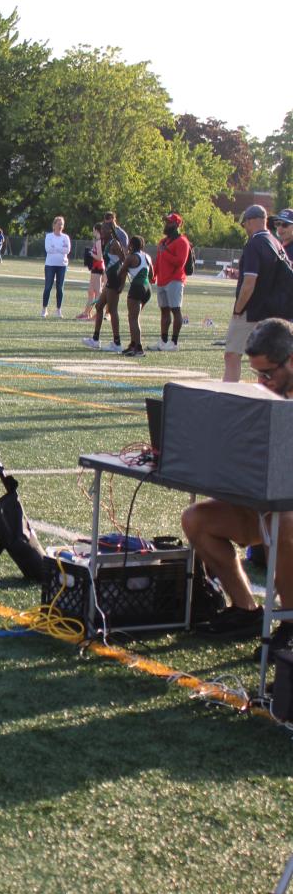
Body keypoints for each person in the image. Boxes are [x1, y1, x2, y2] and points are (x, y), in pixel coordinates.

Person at [181, 317, 293, 645]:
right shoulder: (262, 396)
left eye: (268, 373)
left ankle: (289, 621)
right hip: (263, 503)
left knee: (283, 522)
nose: (262, 381)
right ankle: (246, 610)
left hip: (284, 512)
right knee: (197, 519)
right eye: (257, 373)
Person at [222, 205, 293, 382]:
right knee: (269, 360)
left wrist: (238, 310)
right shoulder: (275, 242)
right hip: (271, 310)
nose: (244, 227)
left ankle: (229, 393)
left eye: (244, 223)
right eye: (278, 224)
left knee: (232, 355)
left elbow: (249, 283)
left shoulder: (255, 243)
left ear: (251, 221)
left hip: (253, 309)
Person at [82, 219, 127, 351]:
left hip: (115, 280)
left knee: (112, 310)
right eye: (101, 230)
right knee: (99, 306)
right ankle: (95, 339)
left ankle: (117, 343)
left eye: (104, 230)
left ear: (110, 231)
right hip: (110, 280)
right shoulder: (106, 243)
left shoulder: (115, 244)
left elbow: (124, 262)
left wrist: (122, 282)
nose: (101, 232)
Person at [151, 211, 190, 351]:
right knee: (164, 311)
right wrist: (153, 274)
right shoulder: (163, 241)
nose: (166, 224)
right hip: (162, 280)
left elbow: (180, 262)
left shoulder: (182, 242)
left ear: (176, 224)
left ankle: (174, 343)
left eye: (169, 222)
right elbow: (158, 260)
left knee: (175, 310)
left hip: (175, 280)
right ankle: (163, 341)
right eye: (166, 222)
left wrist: (165, 252)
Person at [121, 236, 153, 356]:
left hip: (137, 287)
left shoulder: (131, 257)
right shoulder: (147, 256)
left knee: (133, 318)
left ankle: (139, 348)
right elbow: (151, 275)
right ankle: (133, 345)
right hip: (147, 288)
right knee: (134, 317)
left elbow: (121, 272)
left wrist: (125, 261)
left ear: (131, 245)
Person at [42, 216, 71, 318]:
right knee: (48, 287)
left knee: (60, 288)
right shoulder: (49, 236)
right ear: (54, 225)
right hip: (50, 265)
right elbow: (48, 249)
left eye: (62, 224)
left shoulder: (65, 237)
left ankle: (58, 310)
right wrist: (61, 249)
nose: (60, 226)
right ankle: (44, 309)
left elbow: (67, 250)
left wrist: (56, 248)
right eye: (58, 224)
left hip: (62, 265)